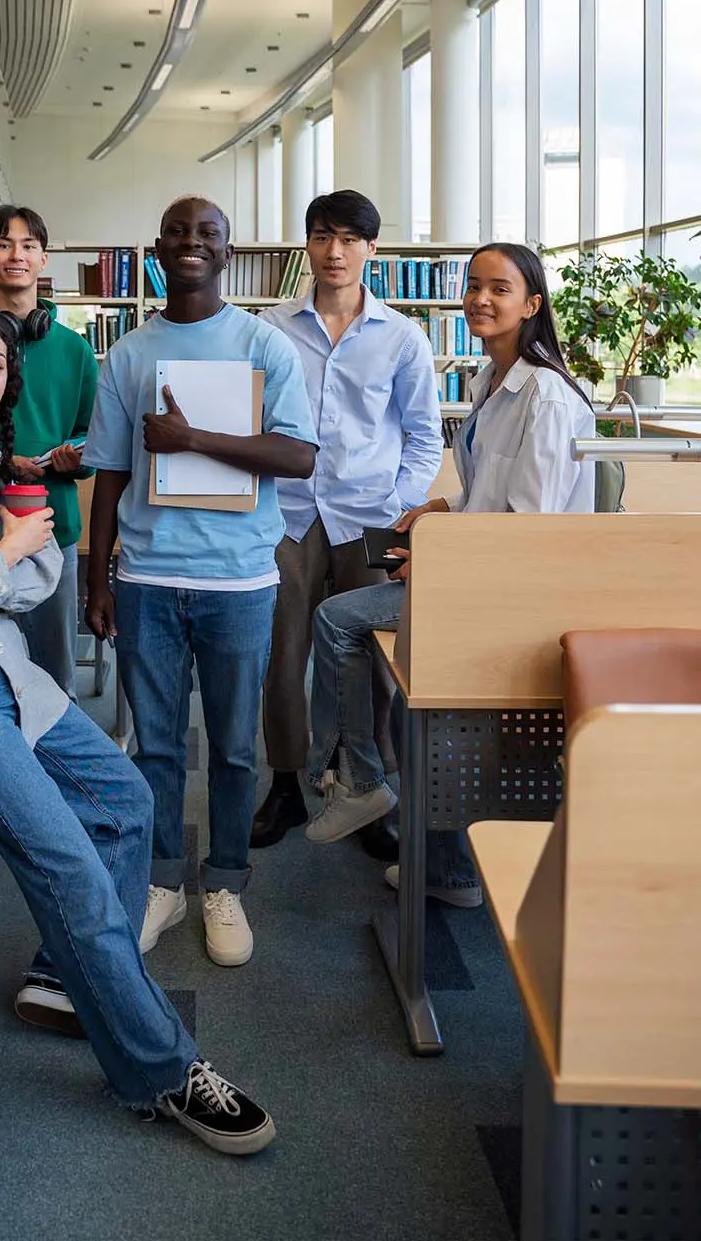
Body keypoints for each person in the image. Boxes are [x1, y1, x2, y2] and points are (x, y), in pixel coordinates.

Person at [0, 305, 276, 1156]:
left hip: (7, 674)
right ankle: (160, 1067)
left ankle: (73, 979)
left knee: (124, 800)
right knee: (71, 866)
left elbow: (40, 575)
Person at [305, 243, 596, 904]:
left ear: (533, 304)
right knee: (419, 699)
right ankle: (447, 867)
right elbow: (492, 493)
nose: (480, 299)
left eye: (499, 288)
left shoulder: (543, 396)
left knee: (340, 620)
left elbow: (528, 525)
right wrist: (443, 507)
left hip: (508, 596)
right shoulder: (488, 381)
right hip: (479, 575)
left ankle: (361, 782)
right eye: (473, 286)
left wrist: (438, 556)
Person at [84, 197, 317, 968]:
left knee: (233, 748)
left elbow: (298, 458)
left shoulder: (265, 345)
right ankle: (161, 883)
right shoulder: (127, 354)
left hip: (240, 581)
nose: (192, 243)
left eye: (206, 234)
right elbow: (110, 476)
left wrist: (192, 440)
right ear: (158, 249)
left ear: (226, 251)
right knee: (153, 745)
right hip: (147, 576)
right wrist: (99, 578)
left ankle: (224, 884)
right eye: (179, 232)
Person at [251, 190, 442, 850]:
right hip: (288, 515)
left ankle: (363, 786)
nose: (335, 251)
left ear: (372, 249)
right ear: (306, 244)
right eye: (323, 236)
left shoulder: (403, 337)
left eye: (349, 239)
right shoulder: (269, 330)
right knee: (283, 656)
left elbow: (424, 438)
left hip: (376, 521)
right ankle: (284, 784)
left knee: (377, 661)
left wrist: (402, 508)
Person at [0, 205, 97, 701]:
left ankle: (55, 777)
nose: (15, 255)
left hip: (48, 528)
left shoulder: (74, 350)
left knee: (54, 677)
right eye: (3, 244)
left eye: (27, 246)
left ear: (43, 259)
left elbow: (92, 437)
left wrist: (75, 459)